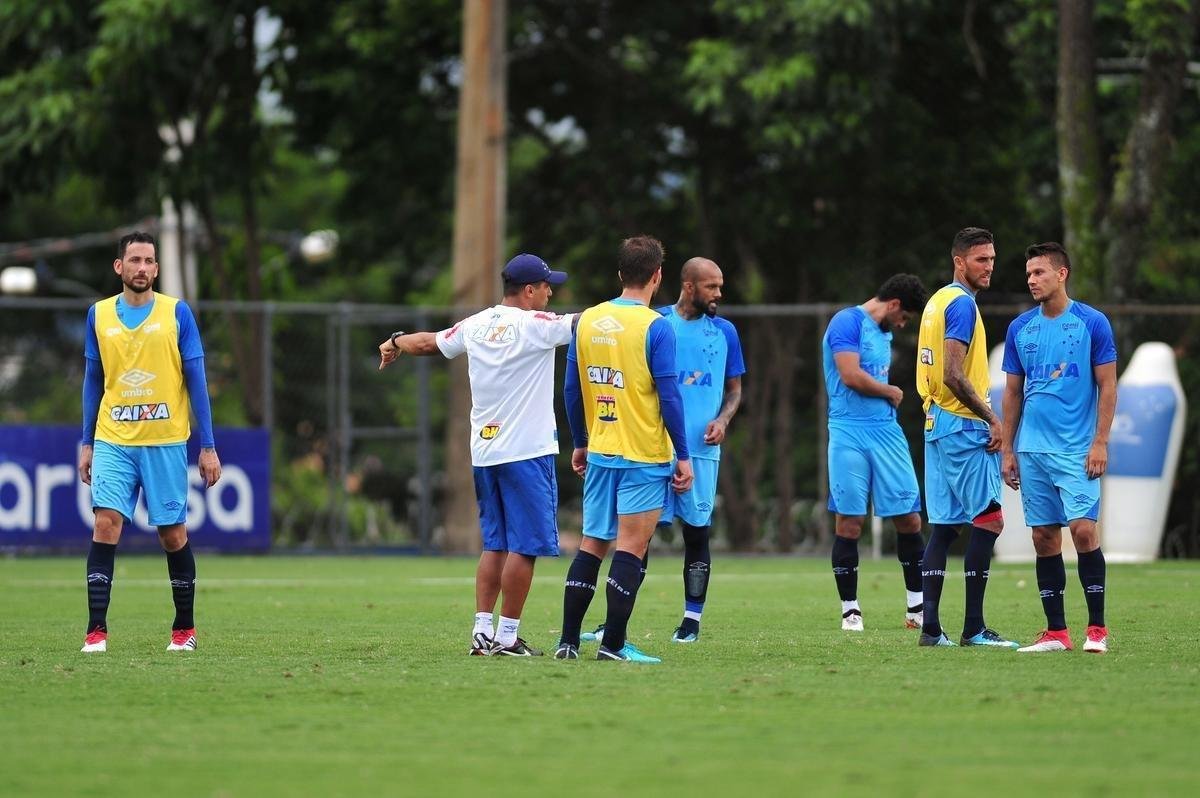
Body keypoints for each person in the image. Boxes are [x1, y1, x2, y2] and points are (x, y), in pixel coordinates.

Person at [378, 254, 575, 657]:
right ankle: (506, 637)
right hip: (527, 451)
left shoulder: (476, 323)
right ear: (529, 290)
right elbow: (591, 323)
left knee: (496, 544)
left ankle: (482, 631)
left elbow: (429, 342)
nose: (551, 292)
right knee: (526, 546)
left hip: (484, 452)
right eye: (546, 285)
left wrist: (395, 340)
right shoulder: (539, 326)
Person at [79, 231, 221, 653]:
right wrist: (86, 442)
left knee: (172, 533)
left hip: (165, 441)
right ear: (119, 267)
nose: (142, 268)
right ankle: (96, 632)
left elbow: (197, 381)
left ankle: (184, 630)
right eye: (135, 260)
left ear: (157, 269)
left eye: (149, 261)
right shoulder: (98, 315)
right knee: (106, 523)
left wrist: (208, 446)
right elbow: (93, 381)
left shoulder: (177, 314)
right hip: (113, 438)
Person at [556, 235, 693, 663]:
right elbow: (669, 396)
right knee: (631, 547)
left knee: (592, 543)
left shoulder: (588, 320)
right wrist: (684, 455)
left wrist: (580, 442)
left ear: (619, 275)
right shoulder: (657, 326)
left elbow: (571, 391)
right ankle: (613, 645)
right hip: (644, 454)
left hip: (601, 450)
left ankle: (568, 642)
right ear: (657, 276)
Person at [1001, 243, 1116, 654]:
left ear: (1062, 274)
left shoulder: (1092, 323)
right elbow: (1012, 393)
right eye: (1028, 273)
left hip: (1076, 450)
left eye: (1039, 272)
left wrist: (1100, 441)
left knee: (1083, 530)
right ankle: (1056, 633)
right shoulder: (1020, 329)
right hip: (1031, 451)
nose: (1032, 279)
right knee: (1044, 538)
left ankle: (1097, 630)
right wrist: (1008, 450)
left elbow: (1108, 385)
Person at [914, 227, 1019, 649]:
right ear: (959, 261)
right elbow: (953, 374)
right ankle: (973, 628)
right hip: (962, 424)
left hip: (936, 422)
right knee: (989, 520)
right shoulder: (960, 306)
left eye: (992, 258)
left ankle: (931, 629)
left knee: (943, 527)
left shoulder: (936, 301)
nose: (989, 266)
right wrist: (993, 418)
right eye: (981, 259)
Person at [822, 274, 929, 632]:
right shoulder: (847, 322)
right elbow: (849, 375)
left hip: (886, 432)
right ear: (895, 305)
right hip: (848, 431)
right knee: (850, 522)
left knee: (910, 518)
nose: (902, 325)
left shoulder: (883, 332)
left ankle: (917, 607)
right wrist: (889, 391)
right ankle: (850, 610)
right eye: (905, 318)